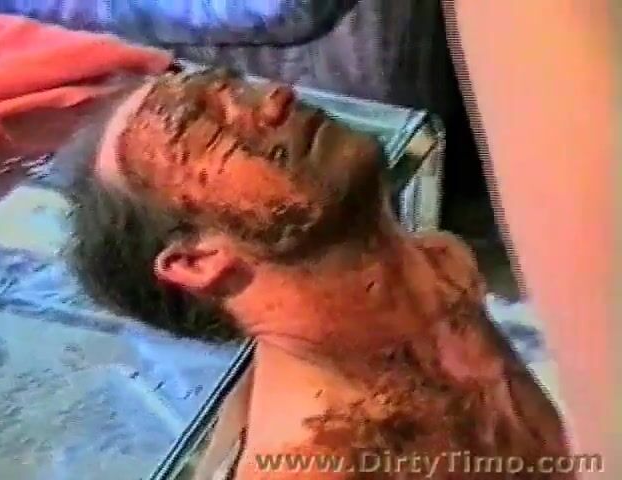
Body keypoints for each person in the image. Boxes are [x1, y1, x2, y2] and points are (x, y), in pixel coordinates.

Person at [67, 68, 573, 479]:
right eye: (215, 130)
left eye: (240, 89)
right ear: (197, 261)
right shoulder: (318, 457)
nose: (277, 98)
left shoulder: (441, 266)